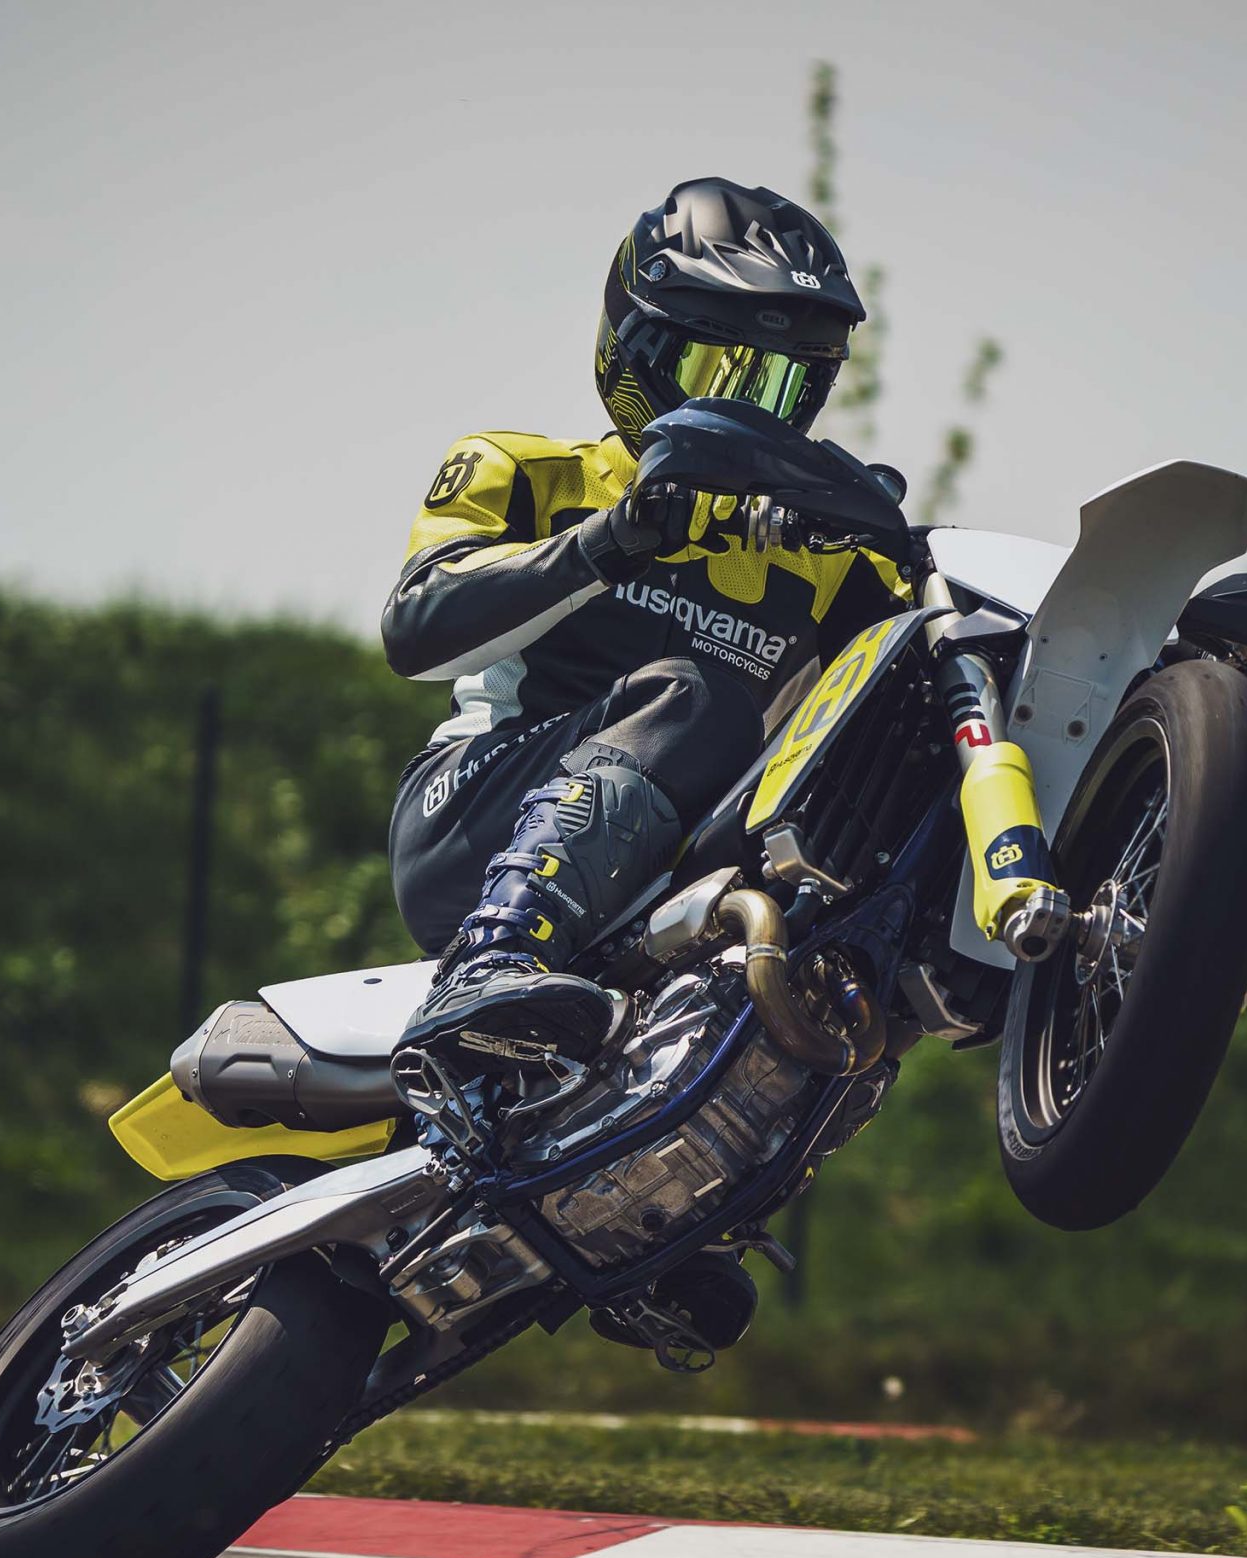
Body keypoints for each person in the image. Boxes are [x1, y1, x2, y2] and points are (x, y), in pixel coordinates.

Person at [382, 178, 909, 1077]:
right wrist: (611, 539)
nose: (748, 412)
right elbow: (415, 631)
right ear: (637, 351)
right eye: (717, 374)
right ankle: (491, 956)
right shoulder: (525, 470)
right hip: (464, 822)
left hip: (665, 866)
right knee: (697, 699)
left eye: (779, 383)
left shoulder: (832, 566)